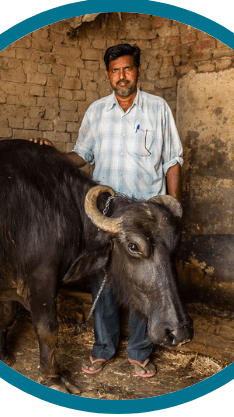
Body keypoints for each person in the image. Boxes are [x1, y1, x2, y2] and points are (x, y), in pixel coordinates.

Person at [32, 43, 183, 377]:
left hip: (146, 217)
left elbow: (173, 161)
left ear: (138, 70)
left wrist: (174, 209)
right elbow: (82, 156)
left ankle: (140, 352)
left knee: (146, 280)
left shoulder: (157, 109)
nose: (121, 77)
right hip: (108, 215)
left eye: (127, 69)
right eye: (115, 71)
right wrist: (54, 156)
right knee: (102, 282)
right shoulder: (96, 111)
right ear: (107, 75)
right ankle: (103, 348)